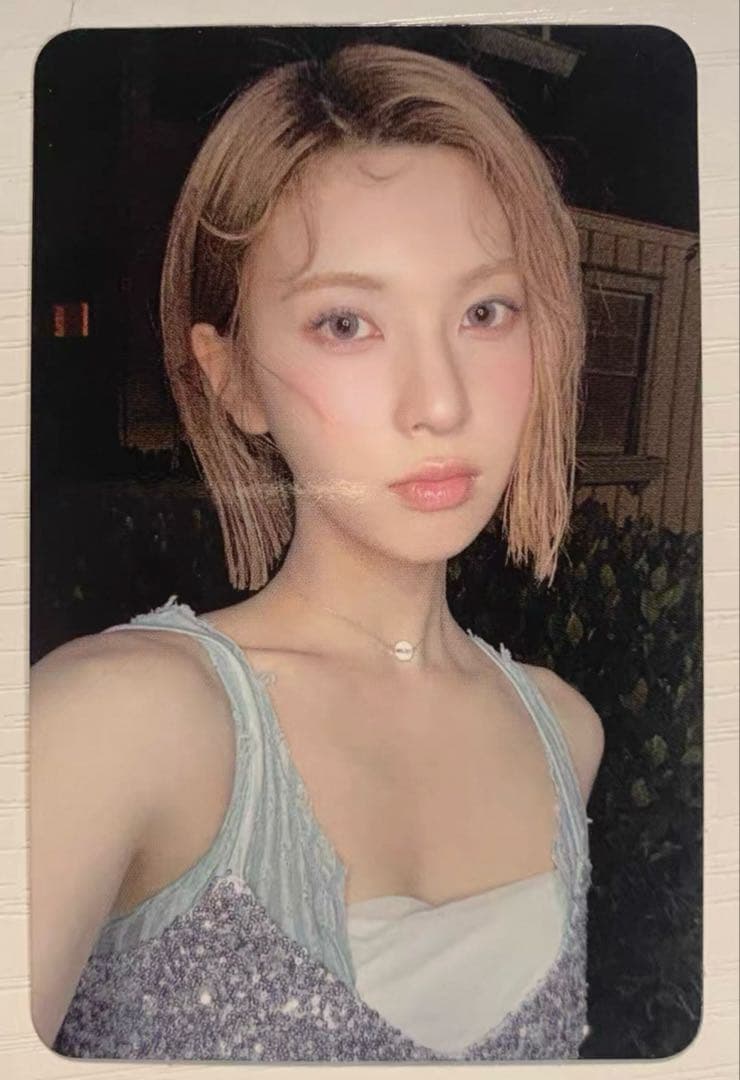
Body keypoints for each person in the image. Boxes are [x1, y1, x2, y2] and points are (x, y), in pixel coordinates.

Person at [30, 42, 604, 1061]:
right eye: (346, 324)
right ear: (231, 377)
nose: (440, 402)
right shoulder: (118, 723)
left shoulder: (565, 734)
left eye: (485, 312)